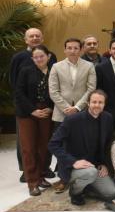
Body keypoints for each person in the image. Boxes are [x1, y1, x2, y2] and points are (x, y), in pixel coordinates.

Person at [48, 90, 115, 206]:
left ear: (104, 104)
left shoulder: (107, 118)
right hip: (74, 167)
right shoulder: (72, 120)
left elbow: (106, 145)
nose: (97, 105)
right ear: (88, 103)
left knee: (111, 193)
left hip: (94, 166)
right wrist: (73, 162)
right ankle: (75, 192)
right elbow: (53, 144)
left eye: (100, 102)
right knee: (90, 173)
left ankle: (86, 187)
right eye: (94, 102)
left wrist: (104, 163)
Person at [9, 27, 57, 182]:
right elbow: (15, 85)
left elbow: (55, 84)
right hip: (26, 109)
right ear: (26, 39)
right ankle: (27, 171)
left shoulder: (52, 58)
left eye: (38, 35)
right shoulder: (18, 58)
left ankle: (43, 169)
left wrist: (50, 106)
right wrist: (31, 109)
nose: (35, 38)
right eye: (31, 36)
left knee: (44, 142)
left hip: (46, 109)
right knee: (26, 144)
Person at [15, 45, 54, 196]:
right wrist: (32, 110)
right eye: (35, 57)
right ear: (32, 59)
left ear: (48, 56)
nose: (39, 59)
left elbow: (58, 91)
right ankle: (32, 182)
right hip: (27, 113)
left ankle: (41, 176)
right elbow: (19, 93)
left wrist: (50, 108)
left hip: (47, 112)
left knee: (44, 146)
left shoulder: (54, 70)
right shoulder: (25, 71)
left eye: (41, 56)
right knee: (29, 148)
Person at [49, 38, 96, 123]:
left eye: (75, 48)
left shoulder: (89, 66)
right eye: (69, 48)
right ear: (65, 50)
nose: (72, 51)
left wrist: (77, 108)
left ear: (81, 50)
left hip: (82, 111)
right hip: (61, 113)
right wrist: (66, 108)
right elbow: (53, 91)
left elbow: (91, 89)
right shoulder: (56, 67)